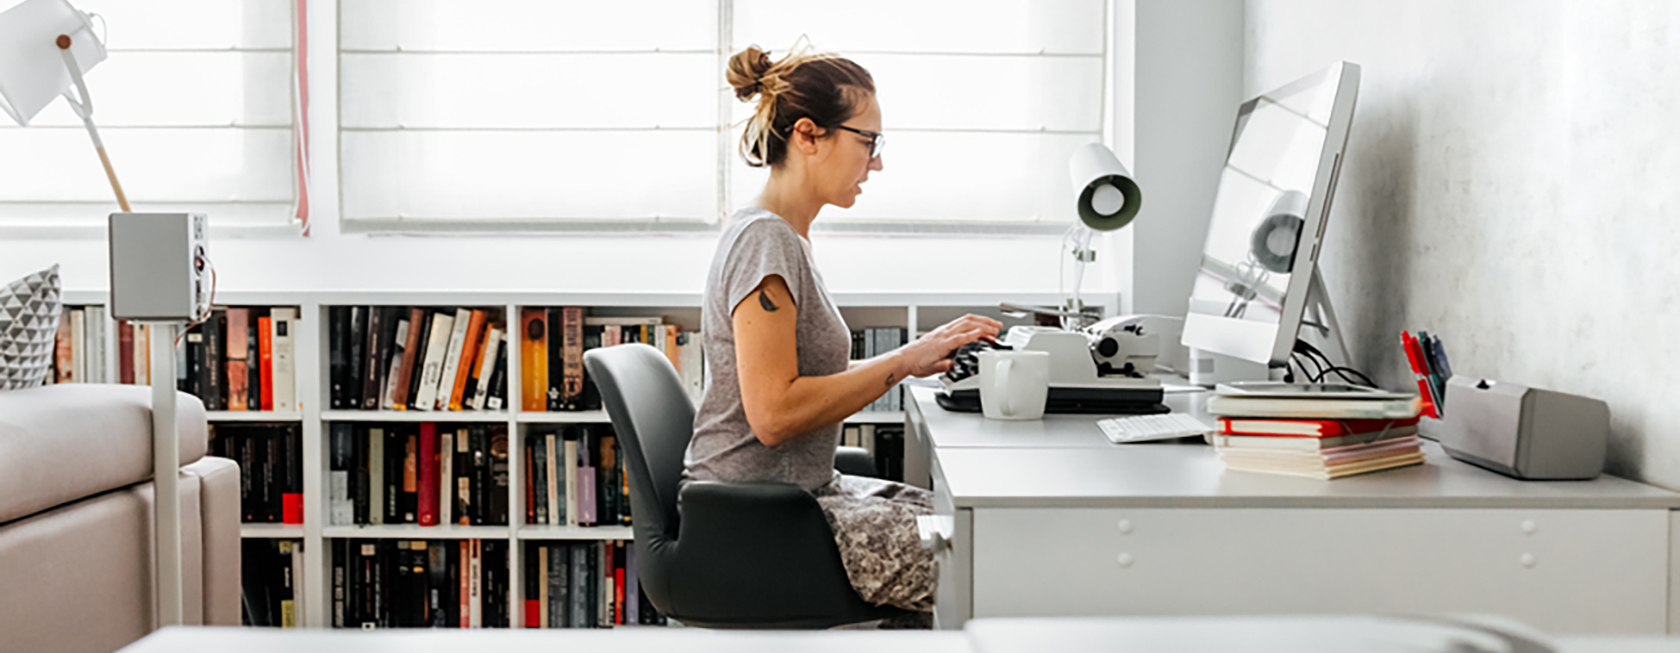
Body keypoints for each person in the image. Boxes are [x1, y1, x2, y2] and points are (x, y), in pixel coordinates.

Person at [683, 44, 1002, 625]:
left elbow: (807, 382)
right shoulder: (766, 241)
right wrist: (902, 361)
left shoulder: (785, 238)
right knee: (991, 559)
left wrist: (918, 355)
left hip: (804, 496)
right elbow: (773, 413)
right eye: (868, 142)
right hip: (763, 517)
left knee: (978, 526)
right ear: (808, 135)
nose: (875, 163)